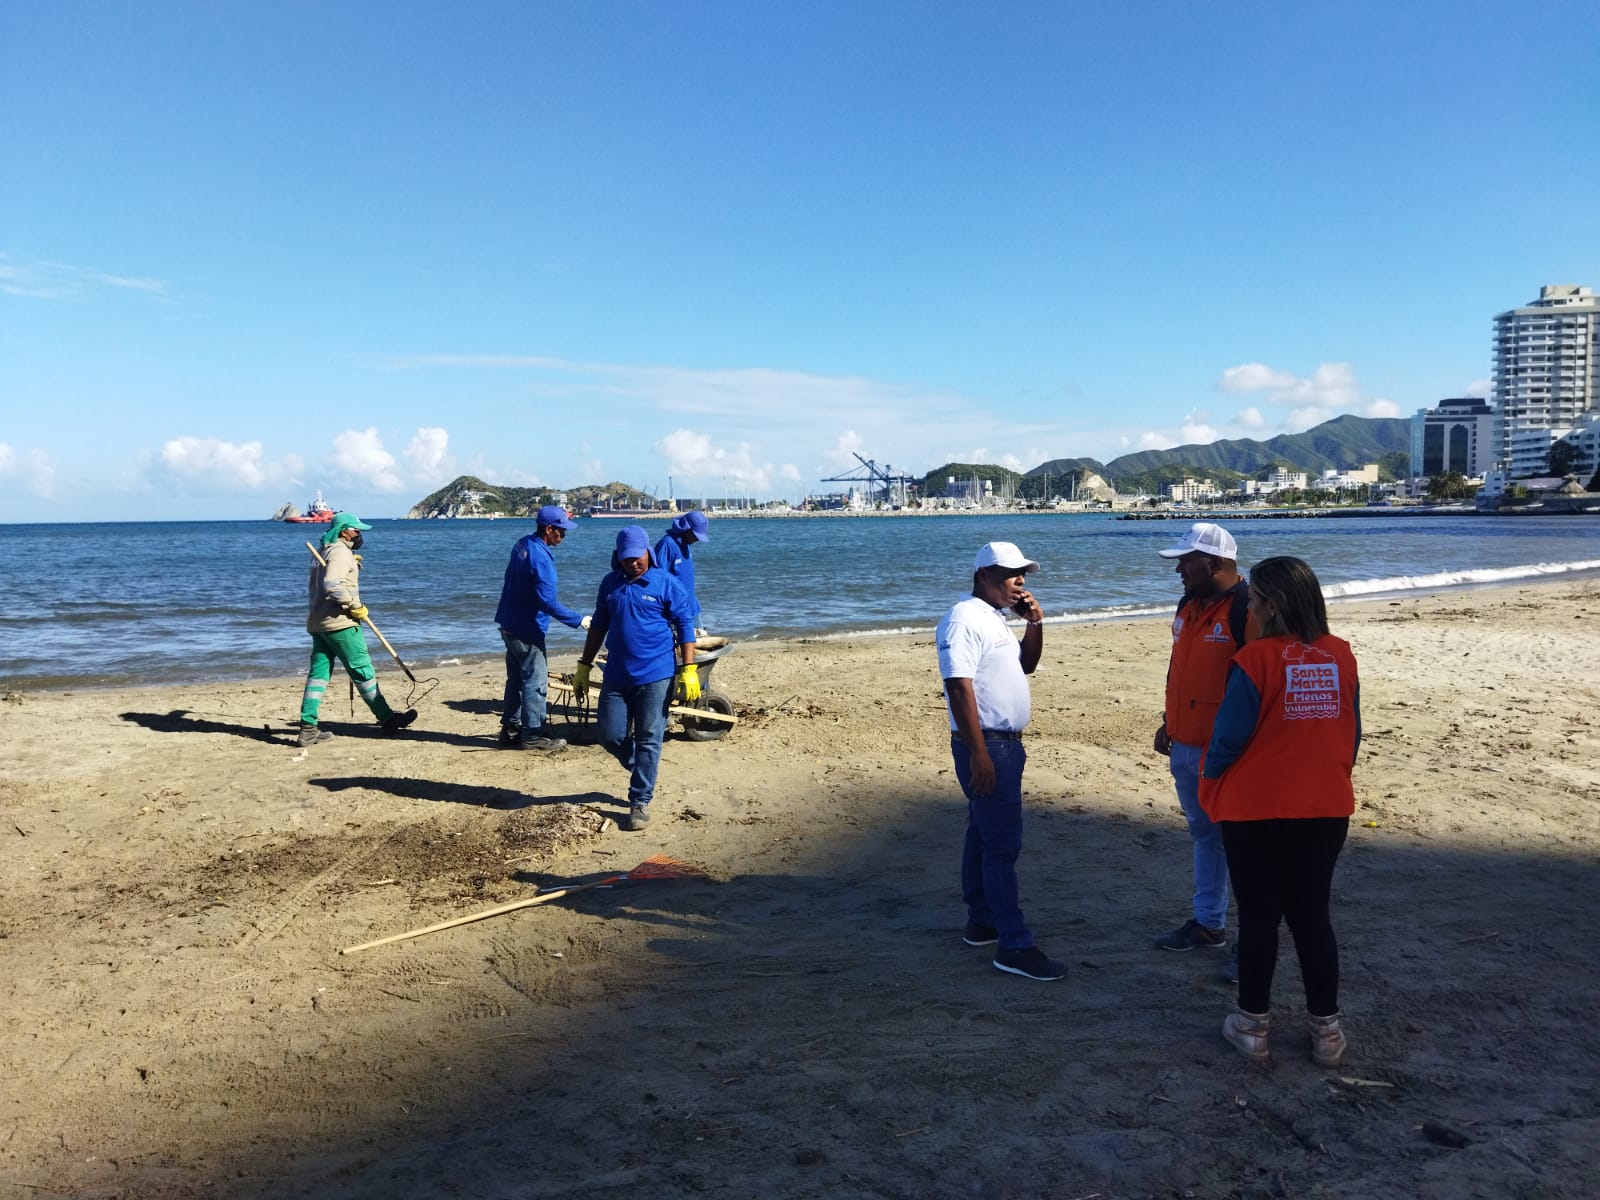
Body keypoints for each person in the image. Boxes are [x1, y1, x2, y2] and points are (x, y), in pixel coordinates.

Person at [1199, 556, 1360, 1067]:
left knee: (1260, 918)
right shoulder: (1341, 656)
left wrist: (1210, 780)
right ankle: (1327, 1032)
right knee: (1313, 916)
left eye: (1254, 602)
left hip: (1258, 808)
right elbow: (1351, 734)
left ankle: (1252, 1026)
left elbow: (1228, 738)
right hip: (1325, 805)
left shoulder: (1256, 660)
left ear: (1268, 605)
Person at [937, 541, 1066, 982]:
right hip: (988, 744)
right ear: (983, 576)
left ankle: (982, 920)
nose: (1020, 580)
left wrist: (1035, 624)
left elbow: (1025, 665)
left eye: (1023, 573)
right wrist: (979, 753)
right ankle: (1013, 944)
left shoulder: (993, 619)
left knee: (983, 830)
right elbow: (958, 686)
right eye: (1010, 573)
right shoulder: (963, 619)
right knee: (1002, 845)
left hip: (1003, 743)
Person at [1152, 522, 1253, 978]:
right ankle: (1210, 924)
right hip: (1187, 745)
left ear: (1214, 563)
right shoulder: (1188, 605)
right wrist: (1168, 722)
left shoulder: (1249, 609)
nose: (1178, 570)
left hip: (1231, 753)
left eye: (1185, 561)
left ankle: (1253, 944)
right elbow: (1183, 667)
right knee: (1205, 836)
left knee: (1243, 844)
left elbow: (1261, 682)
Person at [573, 526, 698, 832]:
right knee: (609, 734)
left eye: (637, 557)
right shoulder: (610, 584)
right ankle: (641, 767)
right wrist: (584, 665)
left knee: (649, 736)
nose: (633, 563)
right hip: (616, 673)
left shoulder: (665, 583)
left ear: (648, 553)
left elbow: (684, 625)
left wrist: (689, 669)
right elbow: (599, 626)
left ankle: (639, 800)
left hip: (656, 675)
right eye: (626, 559)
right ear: (617, 558)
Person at [297, 512, 417, 746]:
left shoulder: (326, 551)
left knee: (318, 675)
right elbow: (331, 584)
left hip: (318, 622)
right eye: (356, 530)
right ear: (344, 531)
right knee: (363, 672)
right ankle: (388, 720)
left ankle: (307, 726)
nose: (359, 534)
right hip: (340, 623)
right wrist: (355, 605)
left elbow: (327, 581)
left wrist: (353, 566)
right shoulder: (340, 552)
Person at [493, 504, 589, 752]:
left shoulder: (522, 544)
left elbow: (509, 579)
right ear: (549, 529)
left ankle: (511, 729)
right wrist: (578, 620)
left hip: (508, 623)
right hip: (526, 628)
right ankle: (533, 734)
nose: (564, 535)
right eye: (561, 530)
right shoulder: (541, 558)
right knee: (535, 680)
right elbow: (547, 602)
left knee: (515, 679)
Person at [653, 510, 710, 628]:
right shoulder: (667, 544)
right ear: (686, 529)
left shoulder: (686, 545)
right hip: (676, 612)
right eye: (695, 535)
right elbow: (657, 579)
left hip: (692, 608)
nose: (697, 539)